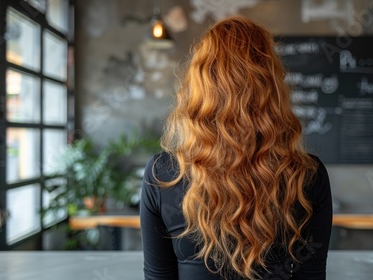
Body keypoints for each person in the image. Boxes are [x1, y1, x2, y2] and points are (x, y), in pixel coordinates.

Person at [140, 16, 332, 280]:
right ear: (272, 88)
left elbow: (158, 277)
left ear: (200, 88)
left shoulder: (163, 175)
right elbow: (310, 275)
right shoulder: (308, 175)